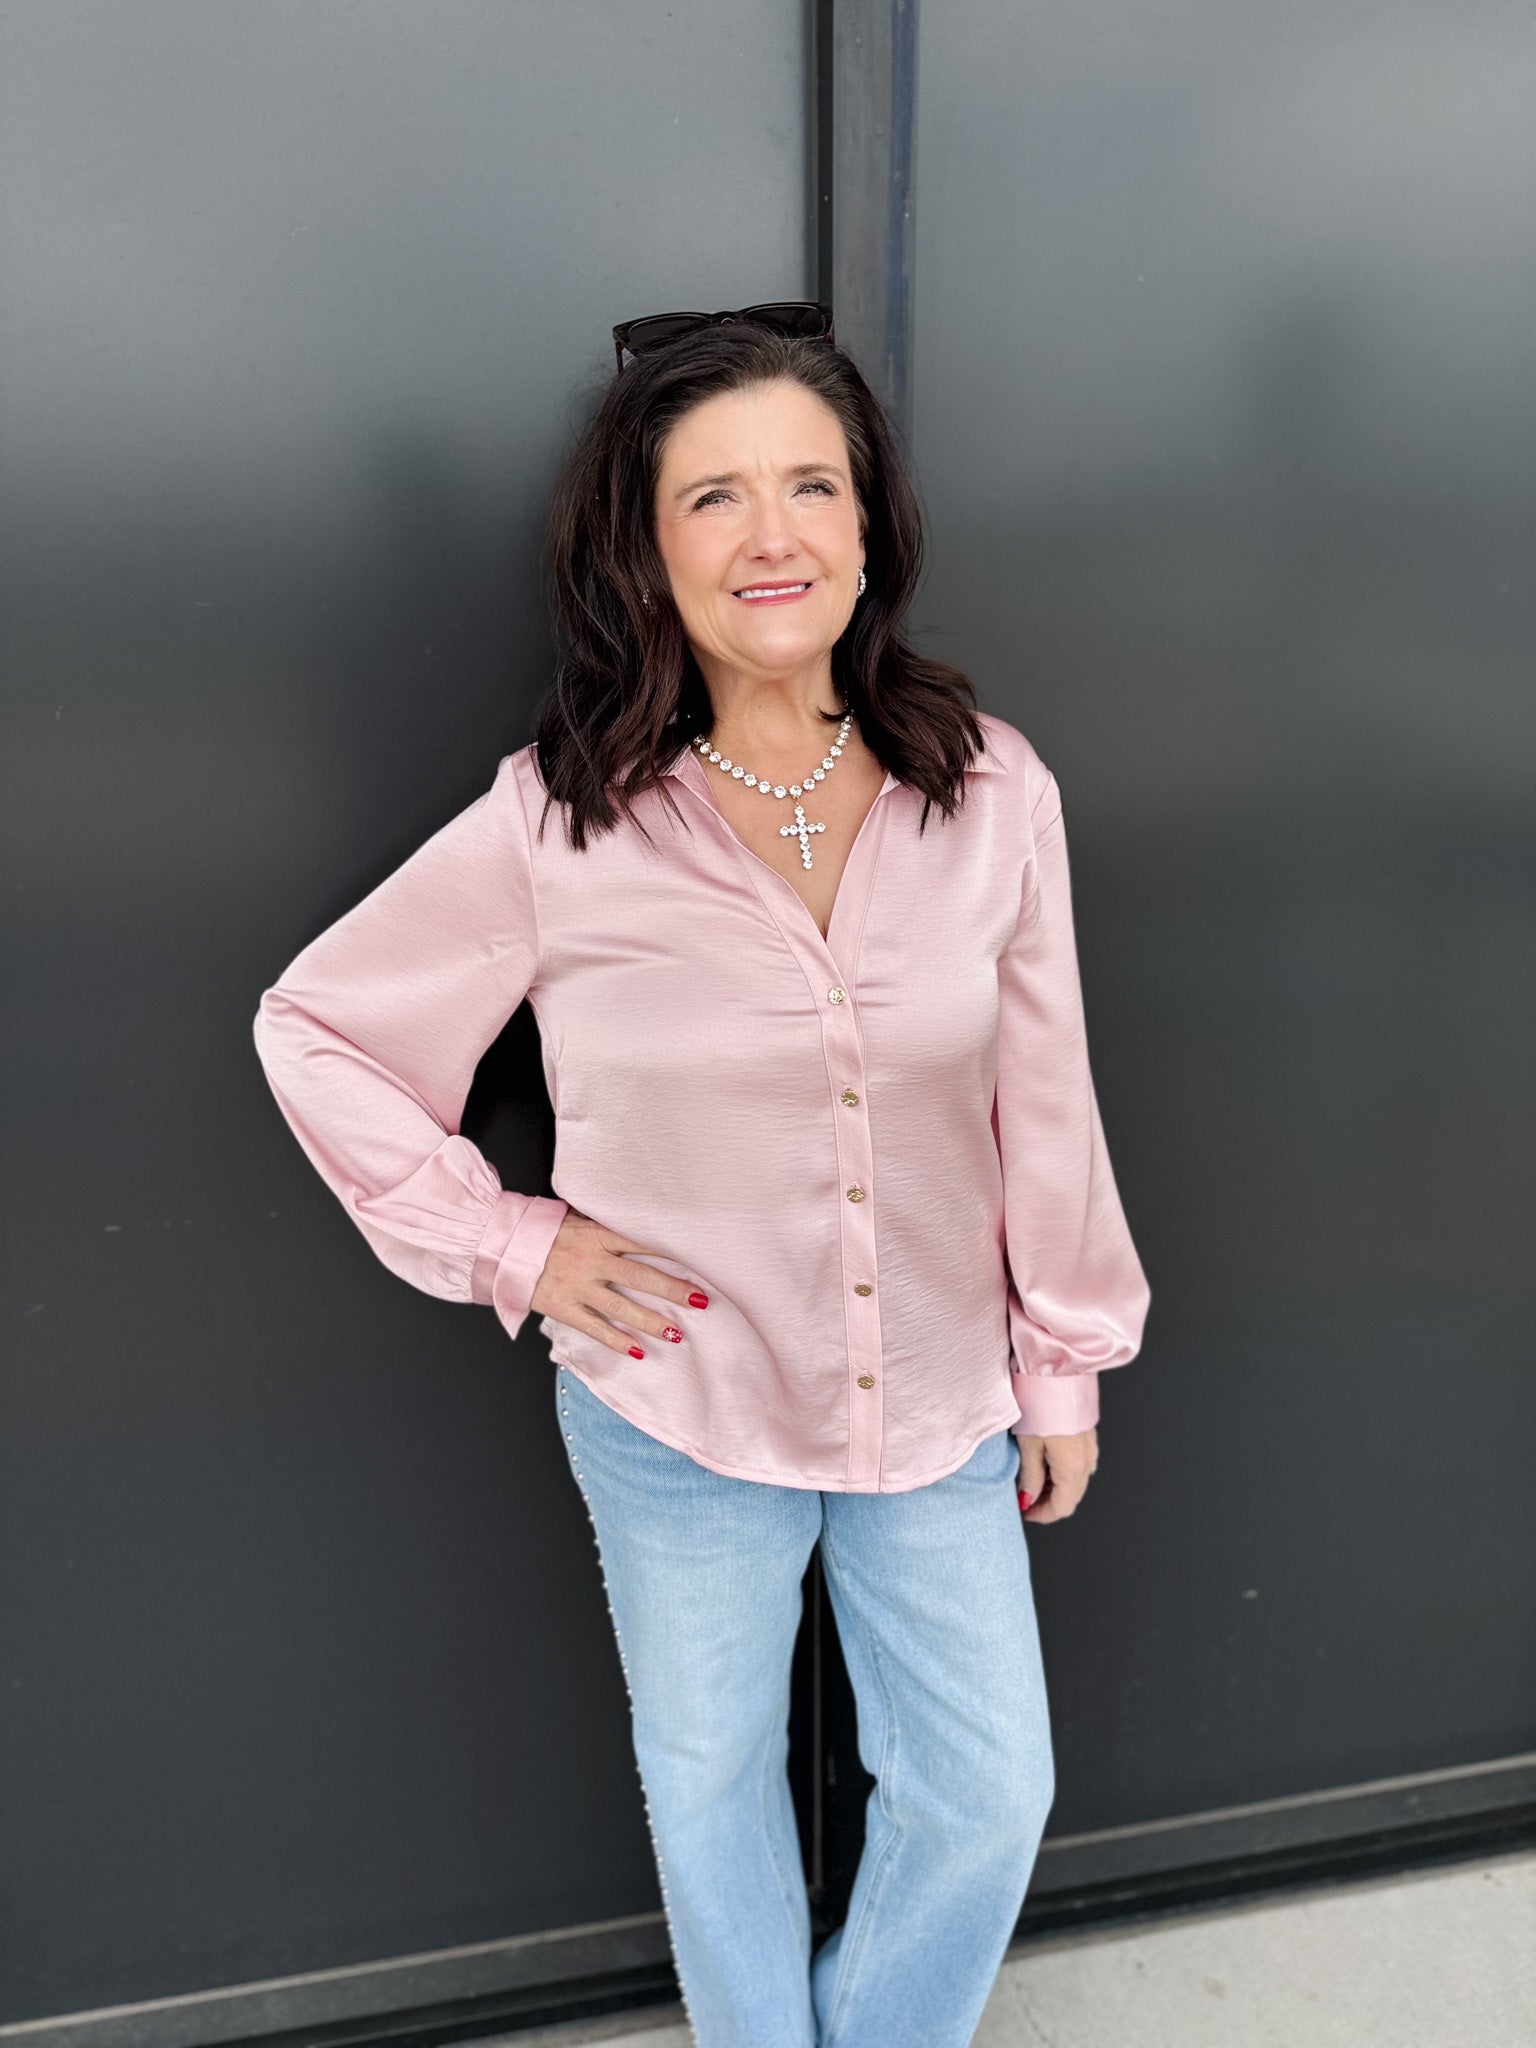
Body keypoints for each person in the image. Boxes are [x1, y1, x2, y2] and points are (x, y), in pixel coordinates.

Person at [252, 302, 1151, 2048]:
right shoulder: (562, 819)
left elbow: (1047, 1102)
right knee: (709, 1781)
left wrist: (1065, 1364)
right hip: (675, 1406)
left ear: (869, 526)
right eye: (713, 496)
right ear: (645, 549)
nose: (772, 535)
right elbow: (321, 1028)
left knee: (987, 1794)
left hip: (942, 1405)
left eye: (811, 484)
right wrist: (509, 1245)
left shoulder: (991, 793)